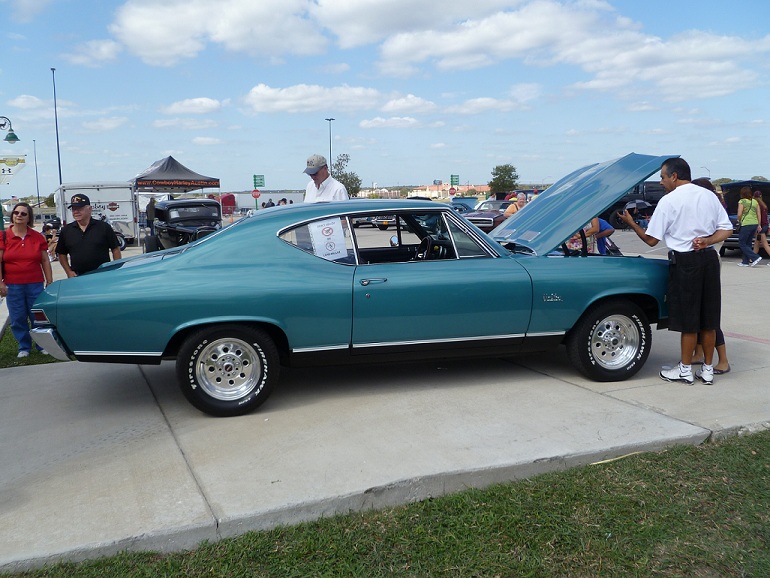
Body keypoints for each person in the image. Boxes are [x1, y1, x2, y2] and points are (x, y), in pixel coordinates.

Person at [618, 158, 732, 386]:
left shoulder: (669, 201)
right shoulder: (708, 195)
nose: (661, 182)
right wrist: (708, 240)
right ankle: (708, 370)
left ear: (674, 176)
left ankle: (685, 369)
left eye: (662, 177)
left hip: (686, 262)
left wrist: (632, 223)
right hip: (709, 259)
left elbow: (651, 240)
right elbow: (727, 229)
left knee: (689, 318)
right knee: (709, 318)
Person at [0, 202, 54, 357]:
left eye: (24, 213)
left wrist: (49, 281)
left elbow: (44, 260)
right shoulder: (4, 236)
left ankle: (41, 345)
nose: (19, 216)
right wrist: (0, 282)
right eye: (16, 213)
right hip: (13, 285)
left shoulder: (37, 237)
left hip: (35, 284)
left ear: (29, 217)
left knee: (37, 316)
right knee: (17, 318)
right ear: (12, 215)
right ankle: (24, 347)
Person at [689, 177, 731, 374]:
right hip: (705, 261)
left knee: (710, 317)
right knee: (699, 313)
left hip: (709, 261)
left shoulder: (711, 211)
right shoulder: (709, 208)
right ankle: (698, 353)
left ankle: (723, 360)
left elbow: (719, 234)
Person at [56, 194, 121, 277]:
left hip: (103, 275)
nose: (76, 212)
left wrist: (116, 269)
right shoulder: (66, 230)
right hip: (78, 277)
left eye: (79, 209)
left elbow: (115, 249)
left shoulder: (103, 227)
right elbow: (61, 254)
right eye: (73, 209)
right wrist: (68, 271)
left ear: (90, 209)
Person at [736, 186, 762, 267]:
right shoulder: (755, 201)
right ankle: (745, 261)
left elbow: (739, 214)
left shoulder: (742, 201)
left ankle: (755, 257)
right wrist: (759, 224)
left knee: (742, 243)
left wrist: (739, 220)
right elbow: (759, 214)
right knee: (748, 243)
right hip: (754, 223)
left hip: (746, 223)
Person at [750, 190, 770, 259]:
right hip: (765, 225)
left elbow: (759, 216)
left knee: (765, 244)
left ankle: (753, 257)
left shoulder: (757, 205)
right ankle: (752, 257)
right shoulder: (764, 205)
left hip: (760, 226)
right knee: (757, 243)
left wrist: (758, 226)